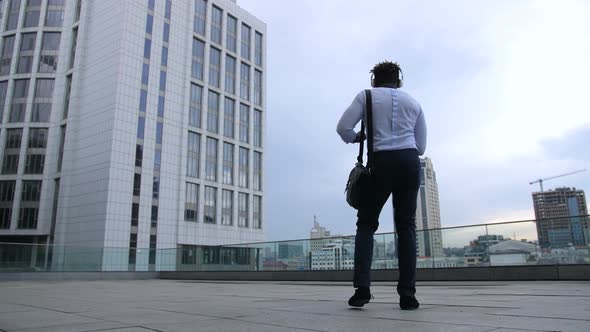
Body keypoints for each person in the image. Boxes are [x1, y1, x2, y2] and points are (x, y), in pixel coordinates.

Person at [336, 61, 427, 310]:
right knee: (406, 227)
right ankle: (408, 295)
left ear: (373, 81)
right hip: (409, 163)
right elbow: (421, 147)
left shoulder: (365, 97)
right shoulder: (413, 103)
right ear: (399, 81)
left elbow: (343, 127)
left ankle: (362, 289)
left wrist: (357, 138)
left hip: (380, 164)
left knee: (366, 224)